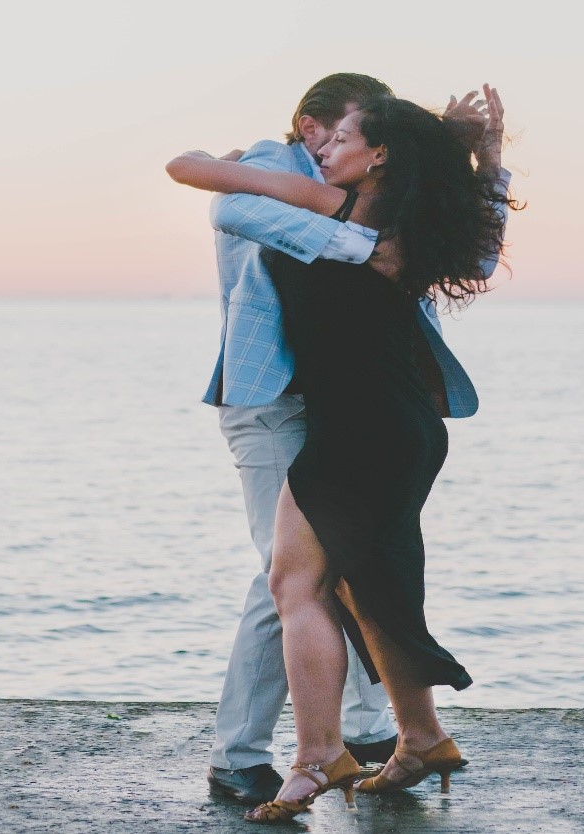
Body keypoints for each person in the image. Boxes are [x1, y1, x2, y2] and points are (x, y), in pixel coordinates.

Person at [167, 88, 515, 823]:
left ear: (378, 152)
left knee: (298, 583)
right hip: (388, 425)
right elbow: (482, 246)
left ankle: (317, 755)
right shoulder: (399, 218)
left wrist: (273, 190)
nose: (325, 150)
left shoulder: (328, 205)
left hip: (364, 428)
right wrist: (490, 159)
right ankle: (418, 738)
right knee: (362, 581)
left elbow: (228, 204)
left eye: (344, 138)